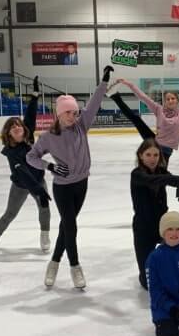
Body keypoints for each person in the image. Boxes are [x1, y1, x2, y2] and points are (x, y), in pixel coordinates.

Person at [27, 66, 114, 289]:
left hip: (82, 184)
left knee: (67, 226)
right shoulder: (48, 137)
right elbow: (31, 157)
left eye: (75, 112)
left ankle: (54, 263)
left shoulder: (81, 125)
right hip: (63, 188)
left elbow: (94, 103)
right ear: (59, 113)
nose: (73, 116)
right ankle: (75, 267)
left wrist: (104, 81)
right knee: (71, 227)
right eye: (68, 112)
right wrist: (50, 167)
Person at [0, 76, 52, 252]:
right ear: (8, 133)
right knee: (10, 214)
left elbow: (31, 114)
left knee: (44, 207)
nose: (17, 127)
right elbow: (23, 172)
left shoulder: (29, 136)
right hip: (21, 185)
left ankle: (44, 234)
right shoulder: (10, 152)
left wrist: (35, 95)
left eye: (19, 125)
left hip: (38, 179)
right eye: (12, 127)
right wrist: (38, 189)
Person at [131, 138, 179, 290]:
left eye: (156, 155)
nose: (152, 159)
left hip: (161, 225)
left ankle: (176, 265)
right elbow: (152, 181)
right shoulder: (137, 174)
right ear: (140, 156)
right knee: (148, 283)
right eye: (148, 155)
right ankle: (148, 272)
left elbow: (166, 178)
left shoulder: (161, 171)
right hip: (143, 229)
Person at [107, 77, 179, 163]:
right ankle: (114, 96)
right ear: (164, 101)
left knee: (160, 177)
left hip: (165, 151)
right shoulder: (158, 109)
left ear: (177, 100)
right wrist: (129, 84)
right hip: (154, 143)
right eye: (167, 99)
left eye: (172, 98)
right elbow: (143, 97)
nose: (170, 101)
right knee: (136, 119)